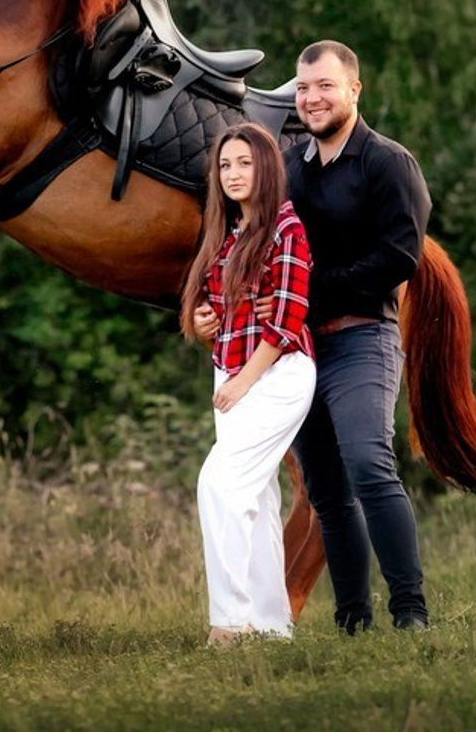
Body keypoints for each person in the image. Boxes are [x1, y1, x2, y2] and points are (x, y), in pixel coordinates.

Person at [200, 40, 431, 633]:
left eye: (325, 86)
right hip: (294, 351)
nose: (312, 98)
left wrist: (309, 290)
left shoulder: (387, 163)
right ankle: (352, 617)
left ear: (354, 89)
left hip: (362, 338)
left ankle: (410, 611)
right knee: (325, 490)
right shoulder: (290, 169)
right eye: (302, 89)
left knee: (368, 463)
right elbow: (257, 250)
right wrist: (216, 312)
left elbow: (399, 257)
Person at [182, 122, 316, 645]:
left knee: (219, 484)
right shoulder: (227, 232)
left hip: (276, 374)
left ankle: (230, 622)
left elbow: (286, 320)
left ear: (266, 169)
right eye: (225, 165)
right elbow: (213, 308)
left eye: (245, 164)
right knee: (255, 497)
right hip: (232, 370)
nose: (233, 174)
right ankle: (271, 624)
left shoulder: (286, 228)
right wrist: (201, 323)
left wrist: (243, 382)